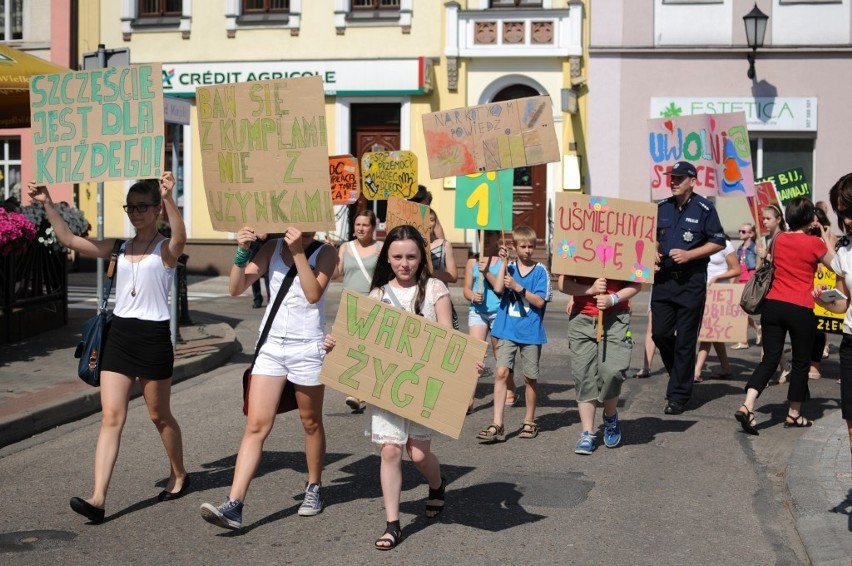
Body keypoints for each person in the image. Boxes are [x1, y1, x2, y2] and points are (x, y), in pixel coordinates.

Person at [28, 173, 190, 524]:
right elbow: (69, 238)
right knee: (111, 417)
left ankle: (178, 473)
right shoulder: (119, 246)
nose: (135, 213)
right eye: (130, 207)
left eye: (142, 207)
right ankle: (98, 497)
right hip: (119, 337)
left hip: (153, 338)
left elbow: (180, 238)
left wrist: (171, 198)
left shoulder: (165, 249)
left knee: (158, 415)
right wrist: (48, 205)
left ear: (157, 209)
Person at [200, 227, 336, 529]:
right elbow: (236, 288)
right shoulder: (272, 248)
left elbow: (313, 294)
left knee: (311, 421)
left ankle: (314, 487)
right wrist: (242, 250)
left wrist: (299, 250)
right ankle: (234, 504)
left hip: (308, 346)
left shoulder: (326, 252)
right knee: (256, 425)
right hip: (271, 346)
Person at [365, 225, 457, 550]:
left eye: (411, 256)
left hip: (423, 384)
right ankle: (393, 525)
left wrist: (466, 362)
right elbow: (363, 338)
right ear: (387, 259)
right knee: (390, 450)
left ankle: (437, 483)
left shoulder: (435, 289)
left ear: (421, 258)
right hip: (388, 384)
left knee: (418, 455)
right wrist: (337, 342)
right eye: (398, 257)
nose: (405, 263)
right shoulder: (376, 295)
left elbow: (448, 335)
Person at [734, 198, 835, 436]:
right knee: (801, 362)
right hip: (801, 307)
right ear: (811, 219)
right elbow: (838, 267)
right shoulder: (814, 243)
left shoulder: (779, 239)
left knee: (769, 359)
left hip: (773, 305)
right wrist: (824, 237)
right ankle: (794, 414)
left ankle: (747, 404)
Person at [652, 161, 725, 415]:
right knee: (659, 334)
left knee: (685, 340)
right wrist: (653, 250)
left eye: (679, 178)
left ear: (693, 181)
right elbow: (649, 237)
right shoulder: (661, 207)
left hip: (690, 282)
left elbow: (718, 242)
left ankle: (678, 396)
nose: (673, 182)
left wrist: (690, 254)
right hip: (663, 281)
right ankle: (680, 376)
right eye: (672, 178)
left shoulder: (705, 208)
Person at [477, 225, 552, 441]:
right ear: (514, 246)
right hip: (507, 329)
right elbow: (499, 288)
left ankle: (529, 420)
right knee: (501, 372)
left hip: (530, 331)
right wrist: (502, 263)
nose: (528, 250)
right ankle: (497, 423)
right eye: (523, 246)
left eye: (531, 246)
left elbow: (539, 301)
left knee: (530, 377)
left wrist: (519, 287)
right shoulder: (509, 267)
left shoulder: (541, 271)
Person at [558, 275, 640, 455]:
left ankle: (610, 416)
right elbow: (563, 283)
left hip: (616, 318)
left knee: (613, 372)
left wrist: (613, 298)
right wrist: (590, 290)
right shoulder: (577, 247)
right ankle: (587, 433)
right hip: (582, 318)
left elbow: (637, 282)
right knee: (583, 375)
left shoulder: (625, 246)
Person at [335, 209, 382, 412]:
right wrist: (330, 254)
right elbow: (336, 274)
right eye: (358, 225)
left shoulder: (380, 247)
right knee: (351, 348)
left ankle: (360, 392)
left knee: (368, 350)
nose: (361, 228)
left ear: (373, 227)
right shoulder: (345, 247)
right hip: (350, 304)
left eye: (365, 225)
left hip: (373, 303)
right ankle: (356, 390)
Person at [462, 230, 510, 412]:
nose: (487, 239)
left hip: (498, 311)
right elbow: (466, 289)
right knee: (475, 354)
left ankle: (510, 388)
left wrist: (487, 270)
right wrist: (473, 295)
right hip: (478, 312)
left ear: (498, 237)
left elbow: (500, 290)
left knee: (501, 355)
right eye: (483, 235)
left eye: (491, 235)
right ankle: (468, 398)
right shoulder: (472, 261)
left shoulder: (503, 261)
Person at [827, 173, 852, 472]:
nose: (846, 220)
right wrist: (826, 301)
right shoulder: (844, 253)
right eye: (841, 213)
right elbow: (843, 303)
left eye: (850, 211)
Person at [693, 237, 741, 383]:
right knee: (714, 334)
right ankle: (726, 368)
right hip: (700, 292)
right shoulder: (699, 243)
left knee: (708, 333)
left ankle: (696, 371)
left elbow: (736, 269)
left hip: (718, 294)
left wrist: (718, 277)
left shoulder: (724, 244)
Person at [732, 223, 760, 349]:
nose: (740, 233)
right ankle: (757, 327)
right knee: (740, 310)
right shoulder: (740, 248)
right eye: (739, 230)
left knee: (741, 311)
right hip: (741, 280)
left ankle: (743, 341)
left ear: (751, 234)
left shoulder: (754, 247)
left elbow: (759, 265)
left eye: (743, 231)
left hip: (749, 281)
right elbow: (737, 266)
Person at [429, 209, 458, 285]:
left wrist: (431, 273)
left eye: (432, 220)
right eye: (425, 219)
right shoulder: (410, 243)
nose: (428, 223)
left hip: (437, 292)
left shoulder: (444, 244)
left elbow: (453, 276)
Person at [249, 232, 269, 308]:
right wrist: (257, 233)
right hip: (254, 242)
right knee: (253, 272)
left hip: (268, 240)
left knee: (269, 272)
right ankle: (257, 299)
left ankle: (270, 298)